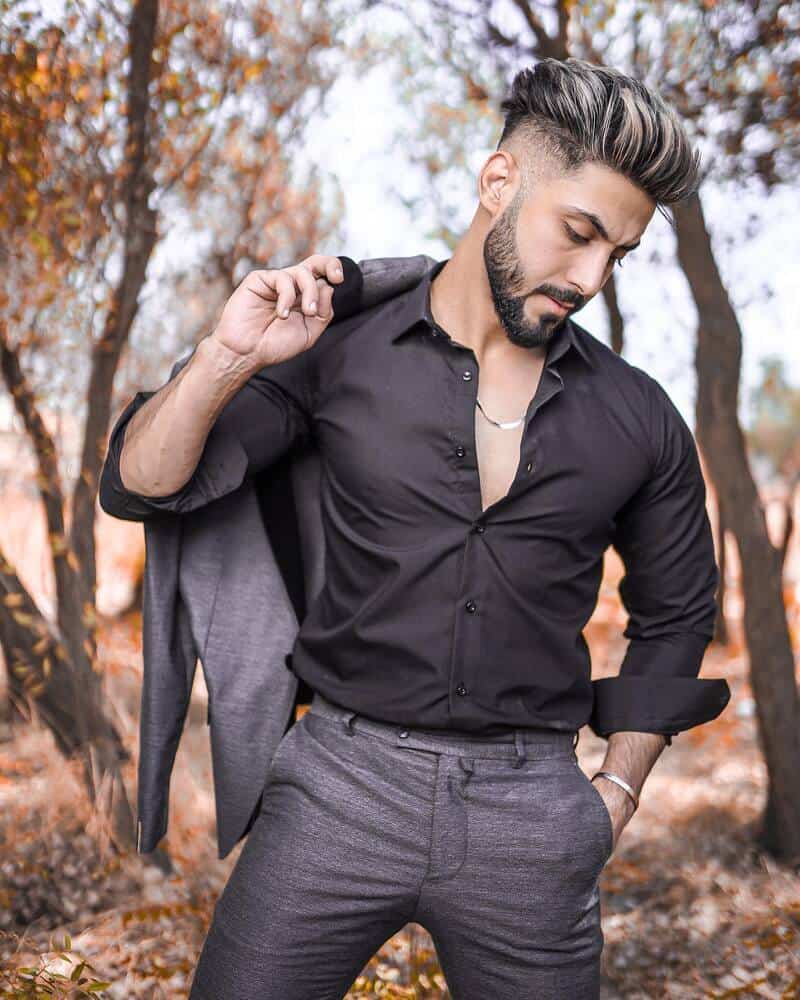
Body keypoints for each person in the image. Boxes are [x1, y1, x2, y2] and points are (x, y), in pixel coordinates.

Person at [110, 57, 729, 999]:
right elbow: (145, 482)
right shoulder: (340, 352)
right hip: (335, 789)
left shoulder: (639, 417)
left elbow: (679, 612)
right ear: (499, 181)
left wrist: (616, 796)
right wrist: (225, 357)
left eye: (620, 253)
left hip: (534, 813)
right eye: (579, 232)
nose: (592, 276)